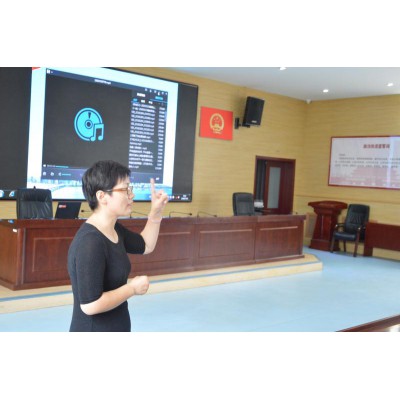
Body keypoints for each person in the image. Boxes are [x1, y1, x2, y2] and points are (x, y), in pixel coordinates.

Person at [67, 160, 168, 332]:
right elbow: (91, 305)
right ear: (102, 196)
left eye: (130, 188)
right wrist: (132, 289)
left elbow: (145, 245)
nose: (131, 195)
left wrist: (156, 212)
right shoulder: (90, 242)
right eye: (125, 189)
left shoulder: (113, 228)